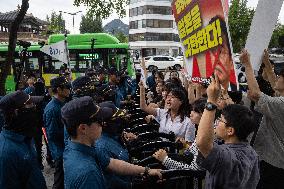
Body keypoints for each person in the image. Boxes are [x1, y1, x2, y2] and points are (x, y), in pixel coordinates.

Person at [61, 97, 162, 189]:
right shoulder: (88, 173)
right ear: (83, 128)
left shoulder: (82, 146)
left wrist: (147, 170)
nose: (103, 124)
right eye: (99, 120)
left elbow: (111, 163)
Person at [195, 74, 259, 189]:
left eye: (220, 120)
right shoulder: (251, 153)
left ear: (230, 130)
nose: (217, 122)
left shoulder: (227, 156)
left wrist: (211, 101)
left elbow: (202, 142)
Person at [240, 49, 284, 189]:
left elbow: (254, 93)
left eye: (280, 76)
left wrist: (247, 64)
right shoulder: (280, 100)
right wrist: (266, 61)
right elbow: (272, 79)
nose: (276, 77)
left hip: (272, 163)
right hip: (276, 161)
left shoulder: (281, 104)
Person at [0, 91, 46, 189]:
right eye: (29, 104)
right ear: (16, 112)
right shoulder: (6, 154)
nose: (34, 107)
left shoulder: (25, 137)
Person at [44, 76, 71, 189]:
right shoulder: (52, 109)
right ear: (59, 90)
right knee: (59, 181)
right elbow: (52, 134)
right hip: (60, 151)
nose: (69, 90)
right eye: (67, 87)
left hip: (64, 148)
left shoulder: (62, 104)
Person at [210, 16, 237, 91]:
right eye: (212, 51)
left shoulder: (238, 93)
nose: (215, 59)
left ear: (231, 62)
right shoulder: (203, 91)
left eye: (221, 51)